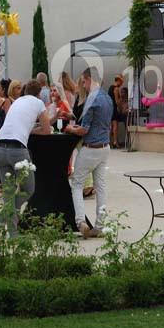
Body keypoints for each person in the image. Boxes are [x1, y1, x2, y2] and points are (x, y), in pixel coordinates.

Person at [0, 80, 52, 234]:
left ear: (25, 91)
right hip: (18, 149)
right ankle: (2, 218)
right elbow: (47, 130)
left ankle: (12, 234)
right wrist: (31, 131)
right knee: (28, 189)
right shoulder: (39, 103)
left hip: (0, 147)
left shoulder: (17, 101)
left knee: (8, 192)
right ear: (39, 93)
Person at [66, 67, 114, 238]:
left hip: (90, 148)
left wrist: (71, 128)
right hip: (105, 147)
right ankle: (100, 225)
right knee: (100, 186)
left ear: (87, 79)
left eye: (83, 82)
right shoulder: (108, 98)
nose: (83, 86)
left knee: (77, 184)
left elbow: (84, 130)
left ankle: (80, 222)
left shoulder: (91, 100)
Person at [109, 75, 124, 148]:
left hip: (109, 108)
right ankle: (115, 142)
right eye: (122, 82)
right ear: (119, 81)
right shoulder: (116, 89)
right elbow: (117, 101)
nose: (122, 84)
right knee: (115, 126)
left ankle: (110, 142)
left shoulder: (110, 87)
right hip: (114, 108)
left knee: (111, 126)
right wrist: (120, 108)